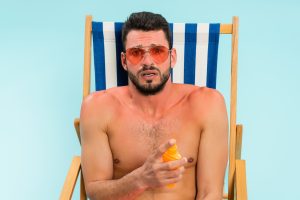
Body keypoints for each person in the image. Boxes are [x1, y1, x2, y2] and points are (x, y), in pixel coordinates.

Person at [80, 11, 228, 200]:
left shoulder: (207, 104)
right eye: (136, 53)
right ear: (124, 61)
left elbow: (210, 193)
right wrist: (140, 179)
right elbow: (95, 192)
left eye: (157, 51)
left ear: (172, 57)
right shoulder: (98, 108)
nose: (148, 62)